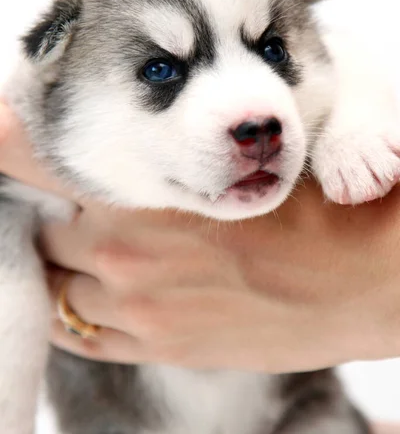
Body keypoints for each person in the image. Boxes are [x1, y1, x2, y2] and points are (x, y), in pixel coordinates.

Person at [1, 100, 400, 433]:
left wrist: (375, 280)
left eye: (271, 50)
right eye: (158, 71)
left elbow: (339, 68)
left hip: (301, 409)